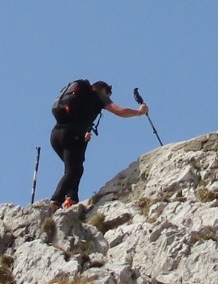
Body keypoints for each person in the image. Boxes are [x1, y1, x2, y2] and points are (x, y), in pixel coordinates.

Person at [50, 80, 148, 209]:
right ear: (103, 89)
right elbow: (120, 111)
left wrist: (84, 132)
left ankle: (71, 199)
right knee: (75, 169)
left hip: (56, 135)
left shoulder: (81, 98)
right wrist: (140, 112)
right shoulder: (97, 96)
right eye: (108, 94)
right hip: (71, 136)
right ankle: (55, 201)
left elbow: (80, 116)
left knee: (73, 168)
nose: (108, 97)